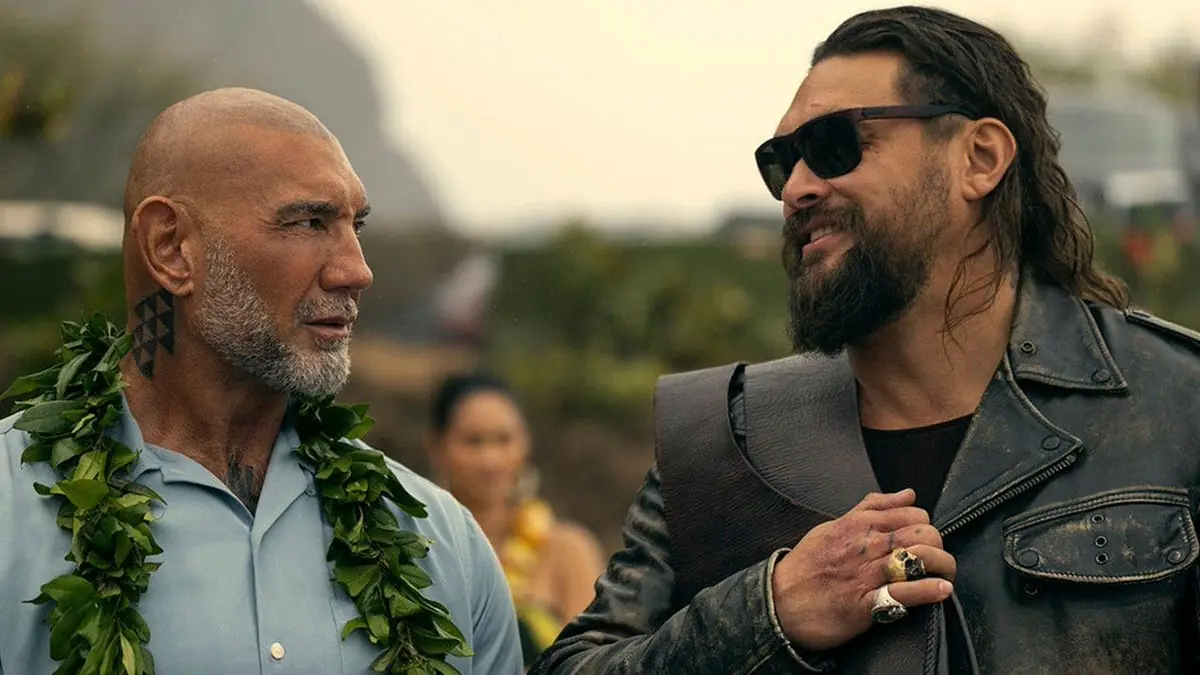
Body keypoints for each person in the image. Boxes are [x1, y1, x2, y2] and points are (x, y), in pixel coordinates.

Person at [531, 6, 1200, 675]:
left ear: (980, 159)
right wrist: (767, 613)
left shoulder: (1178, 403)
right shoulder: (718, 441)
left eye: (835, 145)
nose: (796, 189)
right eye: (782, 163)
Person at [0, 88, 522, 675]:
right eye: (308, 222)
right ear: (170, 247)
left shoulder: (441, 544)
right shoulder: (11, 511)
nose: (357, 270)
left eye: (356, 225)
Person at [427, 373, 606, 668]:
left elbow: (595, 666)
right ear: (437, 448)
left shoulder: (567, 550)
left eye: (504, 440)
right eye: (473, 441)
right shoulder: (422, 550)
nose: (490, 460)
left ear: (526, 443)